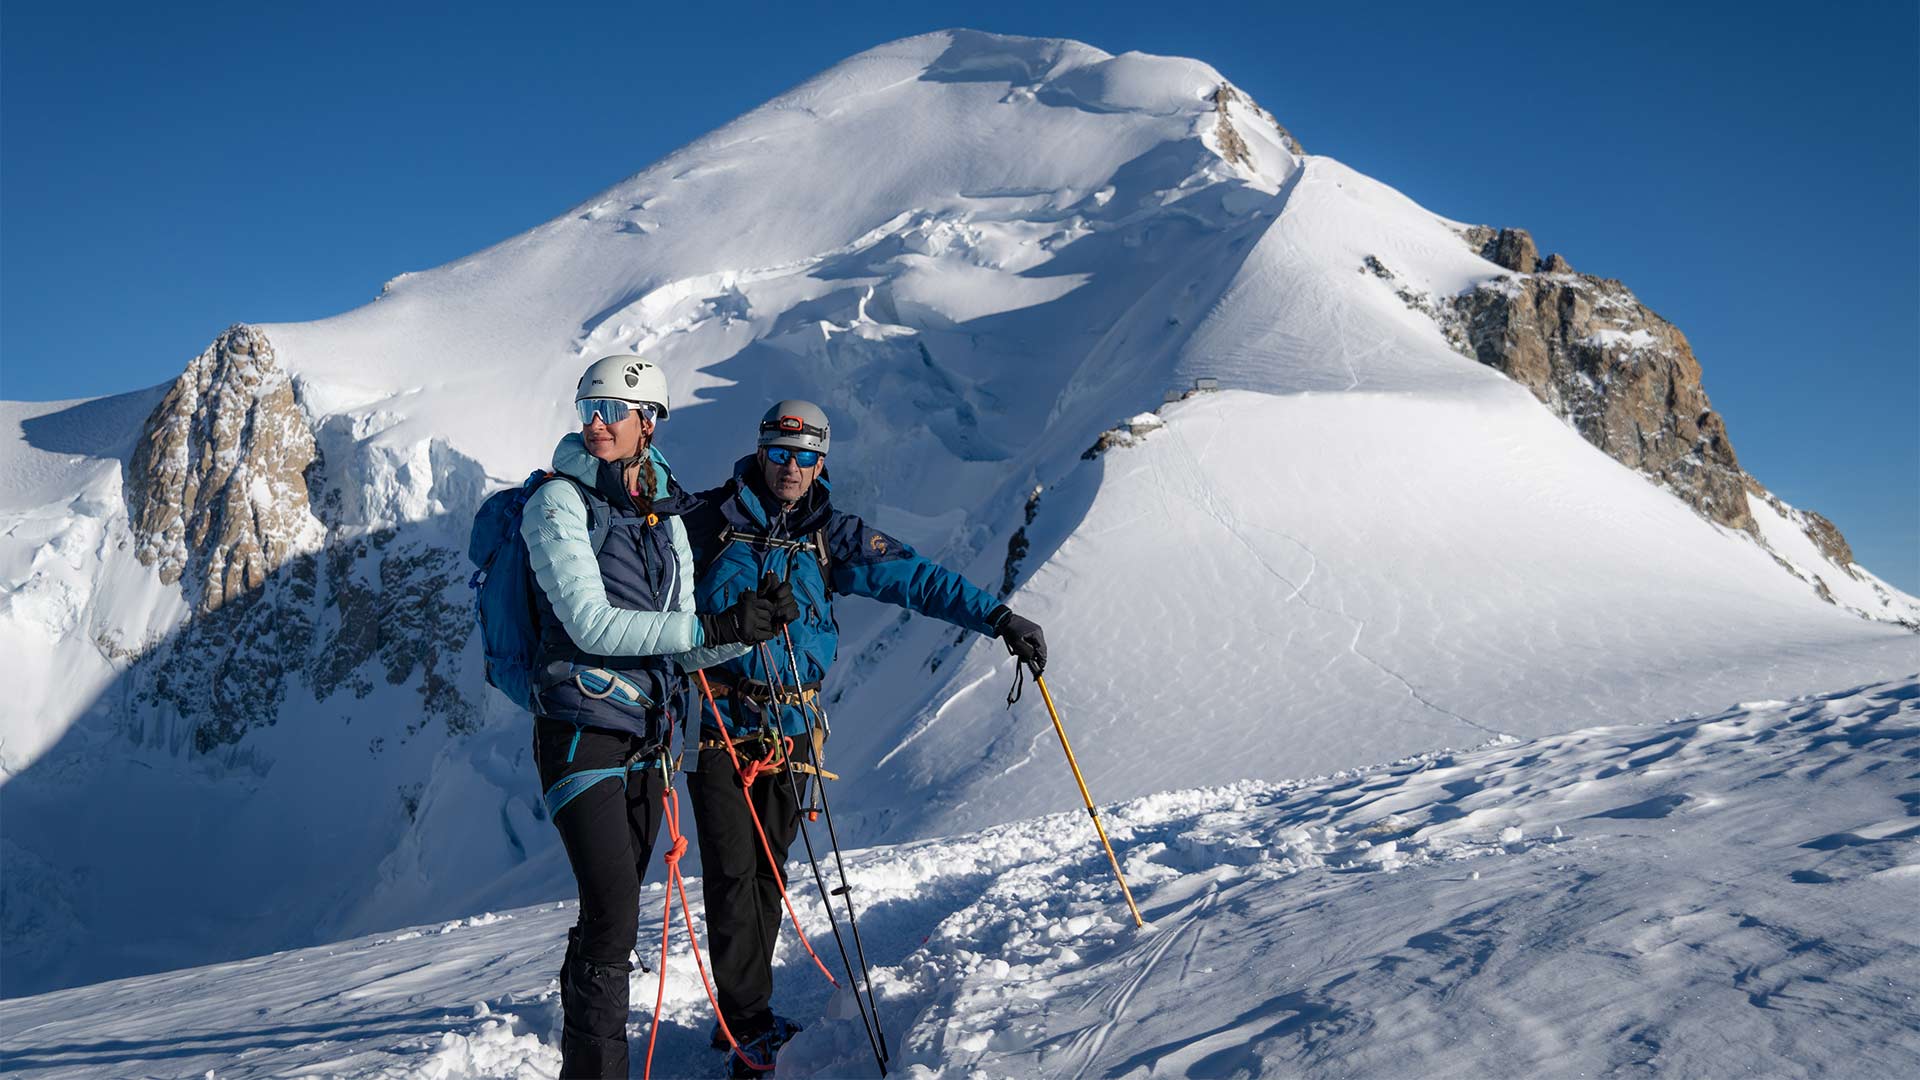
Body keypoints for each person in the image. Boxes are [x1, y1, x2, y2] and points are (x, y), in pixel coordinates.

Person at [681, 399, 1047, 1076]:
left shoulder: (829, 534)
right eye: (780, 453)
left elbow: (915, 579)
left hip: (793, 730)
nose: (791, 468)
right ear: (760, 452)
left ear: (822, 461)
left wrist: (998, 618)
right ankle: (747, 1025)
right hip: (718, 727)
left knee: (766, 876)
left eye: (804, 457)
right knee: (733, 875)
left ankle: (743, 1014)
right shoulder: (707, 522)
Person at [521, 355, 795, 1078]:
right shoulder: (556, 503)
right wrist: (713, 626)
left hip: (647, 736)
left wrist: (747, 629)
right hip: (579, 732)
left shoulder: (662, 513)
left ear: (649, 422)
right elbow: (591, 625)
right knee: (612, 912)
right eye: (590, 408)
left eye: (613, 409)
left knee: (611, 917)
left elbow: (682, 643)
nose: (597, 422)